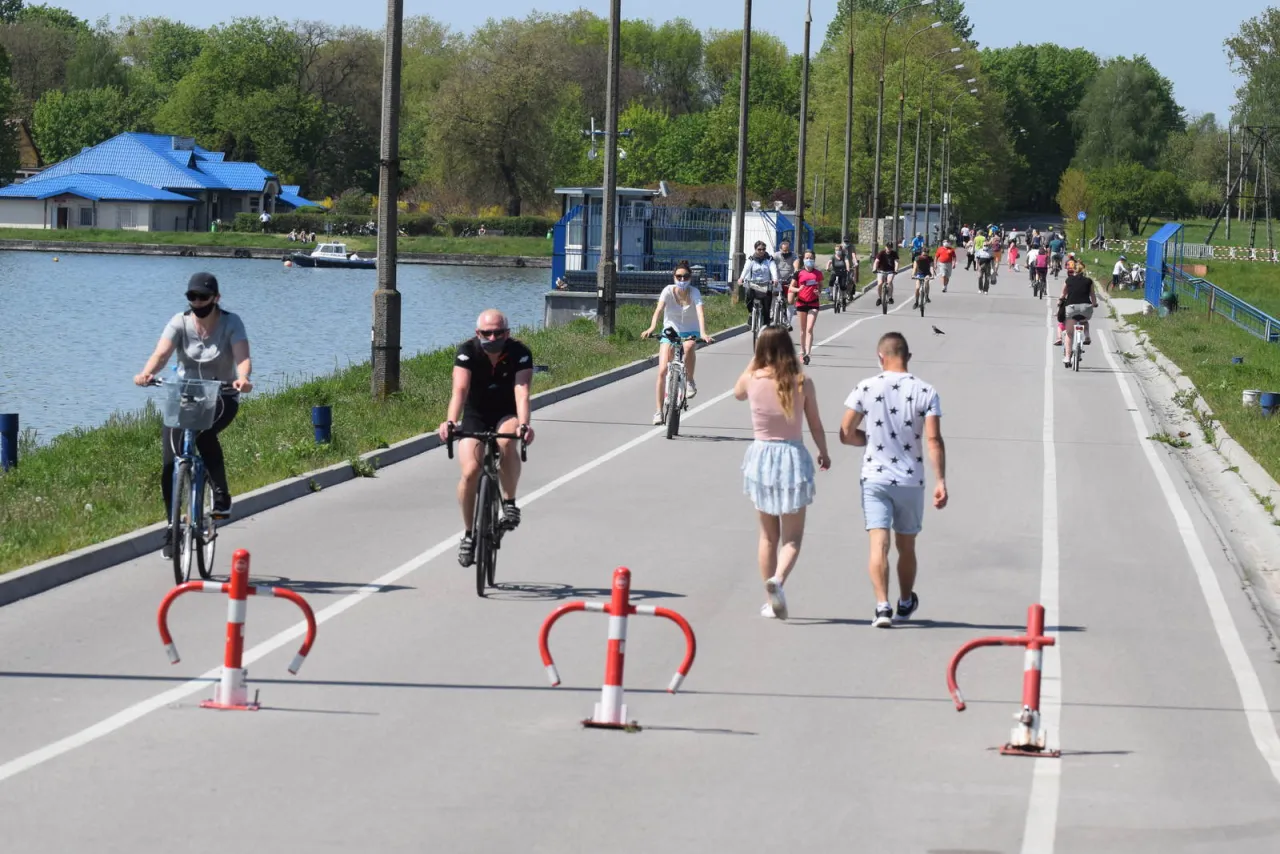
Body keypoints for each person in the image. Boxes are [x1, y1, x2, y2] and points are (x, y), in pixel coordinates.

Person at [134, 273, 252, 556]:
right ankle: (172, 528)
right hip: (184, 395)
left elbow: (242, 357)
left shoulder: (231, 323)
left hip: (222, 395)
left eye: (203, 297)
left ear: (216, 298)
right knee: (169, 462)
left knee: (205, 433)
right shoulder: (180, 322)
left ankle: (221, 494)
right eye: (192, 297)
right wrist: (147, 373)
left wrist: (243, 379)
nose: (197, 302)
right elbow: (161, 354)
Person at [840, 332, 947, 627]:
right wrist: (940, 480)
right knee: (906, 546)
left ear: (880, 357)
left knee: (878, 543)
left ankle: (882, 606)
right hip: (911, 480)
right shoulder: (926, 391)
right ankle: (905, 600)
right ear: (908, 357)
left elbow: (845, 433)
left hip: (875, 477)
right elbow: (933, 439)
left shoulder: (866, 387)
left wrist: (870, 439)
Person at [734, 326, 831, 620]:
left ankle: (769, 600)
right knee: (792, 538)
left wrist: (755, 360)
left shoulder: (752, 379)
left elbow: (737, 393)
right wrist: (823, 451)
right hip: (791, 457)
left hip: (761, 458)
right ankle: (778, 579)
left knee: (767, 536)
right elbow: (815, 423)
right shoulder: (802, 381)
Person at [438, 309, 535, 567]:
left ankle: (510, 502)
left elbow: (522, 391)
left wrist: (524, 425)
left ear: (507, 333)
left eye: (498, 333)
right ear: (477, 333)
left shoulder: (519, 352)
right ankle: (469, 534)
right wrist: (450, 421)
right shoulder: (467, 351)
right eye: (487, 333)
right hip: (476, 414)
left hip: (506, 412)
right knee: (470, 471)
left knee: (506, 441)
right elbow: (460, 390)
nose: (492, 338)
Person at [642, 261, 714, 423]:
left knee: (689, 346)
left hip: (690, 331)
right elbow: (659, 310)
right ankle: (658, 411)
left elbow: (700, 313)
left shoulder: (694, 292)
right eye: (679, 276)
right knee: (662, 371)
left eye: (685, 276)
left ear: (690, 278)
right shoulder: (668, 290)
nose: (682, 280)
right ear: (674, 277)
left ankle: (690, 381)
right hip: (670, 331)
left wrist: (703, 333)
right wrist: (651, 327)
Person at [1059, 268, 1098, 365]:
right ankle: (1087, 336)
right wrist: (1094, 304)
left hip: (1072, 308)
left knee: (1069, 334)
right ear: (1083, 272)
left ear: (1074, 272)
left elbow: (1063, 294)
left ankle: (1067, 357)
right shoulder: (1089, 281)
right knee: (1084, 321)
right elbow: (1092, 295)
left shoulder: (1068, 280)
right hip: (1086, 308)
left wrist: (1060, 301)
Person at [791, 250, 823, 365]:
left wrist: (818, 292)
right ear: (803, 260)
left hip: (813, 303)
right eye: (807, 258)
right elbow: (791, 288)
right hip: (801, 303)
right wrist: (798, 289)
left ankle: (808, 354)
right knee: (803, 329)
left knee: (809, 329)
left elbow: (820, 287)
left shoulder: (818, 273)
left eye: (811, 258)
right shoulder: (799, 273)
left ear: (814, 259)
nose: (809, 260)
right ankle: (802, 351)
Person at [739, 241, 779, 323]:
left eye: (763, 249)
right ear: (755, 249)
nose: (761, 251)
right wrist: (741, 278)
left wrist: (775, 279)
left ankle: (766, 325)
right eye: (759, 249)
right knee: (749, 298)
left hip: (766, 284)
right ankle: (751, 313)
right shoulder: (751, 259)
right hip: (754, 284)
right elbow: (746, 269)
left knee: (766, 309)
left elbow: (773, 269)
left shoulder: (769, 259)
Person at [775, 239, 798, 329]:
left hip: (789, 281)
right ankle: (773, 314)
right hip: (777, 281)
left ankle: (788, 321)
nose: (786, 252)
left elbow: (796, 264)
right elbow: (771, 264)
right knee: (772, 297)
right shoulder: (776, 255)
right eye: (784, 250)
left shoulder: (793, 255)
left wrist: (796, 271)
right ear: (780, 249)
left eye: (787, 250)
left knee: (790, 302)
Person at [874, 242, 899, 306]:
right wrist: (874, 269)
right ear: (885, 247)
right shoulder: (881, 253)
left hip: (890, 271)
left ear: (891, 248)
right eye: (887, 247)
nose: (888, 249)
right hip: (881, 270)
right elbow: (876, 261)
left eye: (890, 247)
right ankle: (879, 298)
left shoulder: (894, 253)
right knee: (880, 283)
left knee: (889, 281)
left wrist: (896, 270)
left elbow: (896, 262)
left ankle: (890, 297)